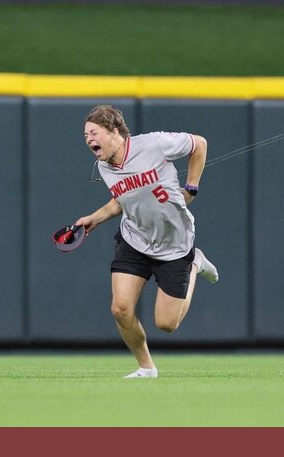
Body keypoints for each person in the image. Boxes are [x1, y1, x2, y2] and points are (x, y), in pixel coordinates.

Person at [76, 105, 218, 378]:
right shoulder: (104, 166)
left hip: (174, 243)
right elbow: (124, 198)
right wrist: (95, 217)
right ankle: (146, 367)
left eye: (93, 132)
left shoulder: (154, 144)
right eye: (85, 135)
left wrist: (191, 186)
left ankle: (195, 264)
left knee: (166, 324)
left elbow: (199, 144)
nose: (88, 139)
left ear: (114, 132)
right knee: (120, 308)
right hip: (135, 239)